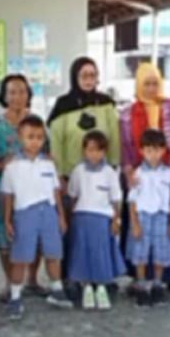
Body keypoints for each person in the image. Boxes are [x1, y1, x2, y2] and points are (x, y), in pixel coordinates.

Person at [120, 63, 170, 297]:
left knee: (168, 229)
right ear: (139, 85)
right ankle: (140, 278)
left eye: (154, 83)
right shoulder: (128, 113)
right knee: (139, 230)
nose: (151, 88)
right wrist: (129, 172)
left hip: (166, 178)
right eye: (146, 84)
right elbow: (126, 147)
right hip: (141, 179)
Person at [1, 115, 73, 320]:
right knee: (21, 257)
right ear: (20, 137)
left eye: (40, 137)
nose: (35, 141)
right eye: (30, 137)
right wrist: (7, 219)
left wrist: (61, 216)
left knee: (53, 253)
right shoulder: (12, 166)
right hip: (25, 213)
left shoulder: (48, 164)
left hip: (48, 212)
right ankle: (15, 296)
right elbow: (7, 195)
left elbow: (56, 192)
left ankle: (57, 290)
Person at [0, 74, 48, 300]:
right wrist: (6, 162)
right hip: (7, 188)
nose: (17, 96)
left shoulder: (37, 121)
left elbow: (47, 153)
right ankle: (10, 283)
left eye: (22, 91)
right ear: (4, 96)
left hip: (34, 188)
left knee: (35, 233)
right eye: (12, 92)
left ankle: (32, 279)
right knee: (7, 235)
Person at [67, 130, 126, 311]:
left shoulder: (110, 172)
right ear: (84, 150)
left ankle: (101, 286)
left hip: (102, 218)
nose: (94, 154)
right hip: (82, 218)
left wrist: (116, 220)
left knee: (101, 253)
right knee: (82, 252)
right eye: (90, 149)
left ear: (105, 152)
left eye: (99, 150)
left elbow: (116, 198)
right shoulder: (78, 171)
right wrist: (70, 218)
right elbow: (73, 195)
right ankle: (86, 287)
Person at [126, 129, 170, 307]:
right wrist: (135, 224)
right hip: (143, 216)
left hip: (161, 216)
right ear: (142, 151)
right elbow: (132, 200)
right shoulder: (138, 173)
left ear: (164, 150)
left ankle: (157, 284)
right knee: (140, 250)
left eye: (157, 150)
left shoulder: (167, 172)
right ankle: (141, 286)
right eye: (148, 150)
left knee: (160, 251)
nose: (153, 155)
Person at [48, 56, 120, 182]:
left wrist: (113, 166)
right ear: (75, 77)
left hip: (101, 173)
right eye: (84, 76)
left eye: (93, 76)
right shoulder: (63, 105)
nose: (89, 80)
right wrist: (59, 174)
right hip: (71, 175)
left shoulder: (106, 104)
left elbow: (115, 138)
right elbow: (56, 142)